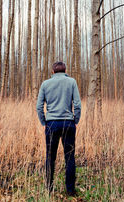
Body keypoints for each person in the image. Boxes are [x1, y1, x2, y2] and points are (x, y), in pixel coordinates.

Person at [36, 61, 81, 196]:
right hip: (68, 123)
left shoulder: (45, 84)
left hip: (52, 124)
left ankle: (49, 189)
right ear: (65, 70)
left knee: (50, 157)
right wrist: (75, 120)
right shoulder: (72, 82)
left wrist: (44, 122)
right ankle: (70, 191)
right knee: (70, 158)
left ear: (53, 71)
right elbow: (77, 104)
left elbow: (39, 106)